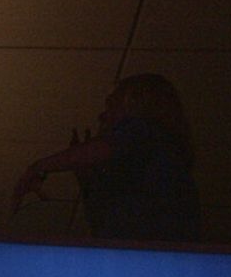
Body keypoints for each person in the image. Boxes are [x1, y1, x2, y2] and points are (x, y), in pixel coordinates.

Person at [12, 73, 200, 242]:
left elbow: (103, 148)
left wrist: (39, 167)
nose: (102, 115)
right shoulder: (148, 167)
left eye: (111, 105)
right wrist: (84, 174)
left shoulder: (146, 130)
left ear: (136, 105)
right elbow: (102, 223)